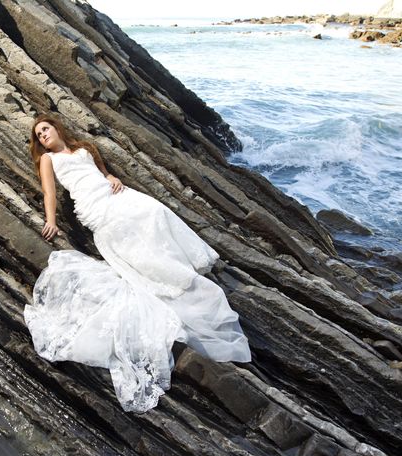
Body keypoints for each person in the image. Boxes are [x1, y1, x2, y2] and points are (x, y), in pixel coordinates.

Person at [23, 113, 251, 412]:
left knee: (155, 211)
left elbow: (101, 173)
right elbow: (49, 193)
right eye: (38, 135)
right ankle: (164, 275)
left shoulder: (84, 148)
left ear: (57, 127)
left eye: (45, 129)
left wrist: (111, 177)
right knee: (133, 230)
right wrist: (50, 221)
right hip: (94, 209)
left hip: (114, 196)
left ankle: (175, 265)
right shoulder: (48, 160)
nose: (43, 135)